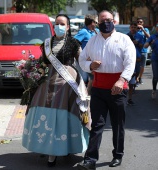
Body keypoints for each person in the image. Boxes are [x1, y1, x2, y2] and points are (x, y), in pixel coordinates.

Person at [22, 14, 91, 167]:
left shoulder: (74, 43)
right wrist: (32, 73)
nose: (58, 26)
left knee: (71, 113)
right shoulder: (47, 43)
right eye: (56, 23)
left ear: (67, 27)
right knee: (46, 112)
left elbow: (82, 62)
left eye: (62, 23)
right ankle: (51, 151)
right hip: (50, 81)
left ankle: (69, 147)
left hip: (69, 82)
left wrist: (91, 72)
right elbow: (43, 64)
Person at [77, 10, 136, 170]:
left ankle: (118, 154)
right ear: (97, 22)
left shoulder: (124, 39)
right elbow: (82, 59)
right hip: (98, 88)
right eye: (102, 20)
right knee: (97, 124)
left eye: (108, 19)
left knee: (118, 125)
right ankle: (90, 160)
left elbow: (131, 62)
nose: (105, 22)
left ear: (114, 22)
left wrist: (122, 79)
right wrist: (90, 66)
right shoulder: (93, 41)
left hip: (118, 88)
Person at [74, 14, 99, 94]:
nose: (96, 24)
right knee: (87, 78)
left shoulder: (96, 31)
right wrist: (80, 54)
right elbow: (74, 43)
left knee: (94, 78)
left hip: (95, 60)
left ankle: (87, 94)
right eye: (95, 22)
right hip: (85, 60)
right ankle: (85, 94)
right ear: (91, 23)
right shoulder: (83, 32)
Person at [127, 22, 144, 105]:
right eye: (132, 27)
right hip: (129, 59)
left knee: (136, 73)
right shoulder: (126, 36)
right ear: (130, 28)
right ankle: (129, 97)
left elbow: (143, 45)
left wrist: (138, 44)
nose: (133, 28)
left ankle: (132, 86)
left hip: (137, 58)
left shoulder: (140, 36)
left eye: (135, 27)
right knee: (130, 77)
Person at [144, 23, 158, 99]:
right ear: (156, 29)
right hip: (155, 58)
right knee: (156, 76)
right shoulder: (153, 37)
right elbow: (145, 45)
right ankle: (154, 90)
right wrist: (149, 43)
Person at [136, 17, 150, 85]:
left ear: (143, 23)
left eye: (140, 22)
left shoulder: (146, 29)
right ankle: (136, 78)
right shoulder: (135, 30)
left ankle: (140, 77)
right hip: (136, 51)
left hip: (144, 51)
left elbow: (149, 37)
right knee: (136, 65)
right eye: (138, 22)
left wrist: (143, 29)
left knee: (142, 66)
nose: (139, 23)